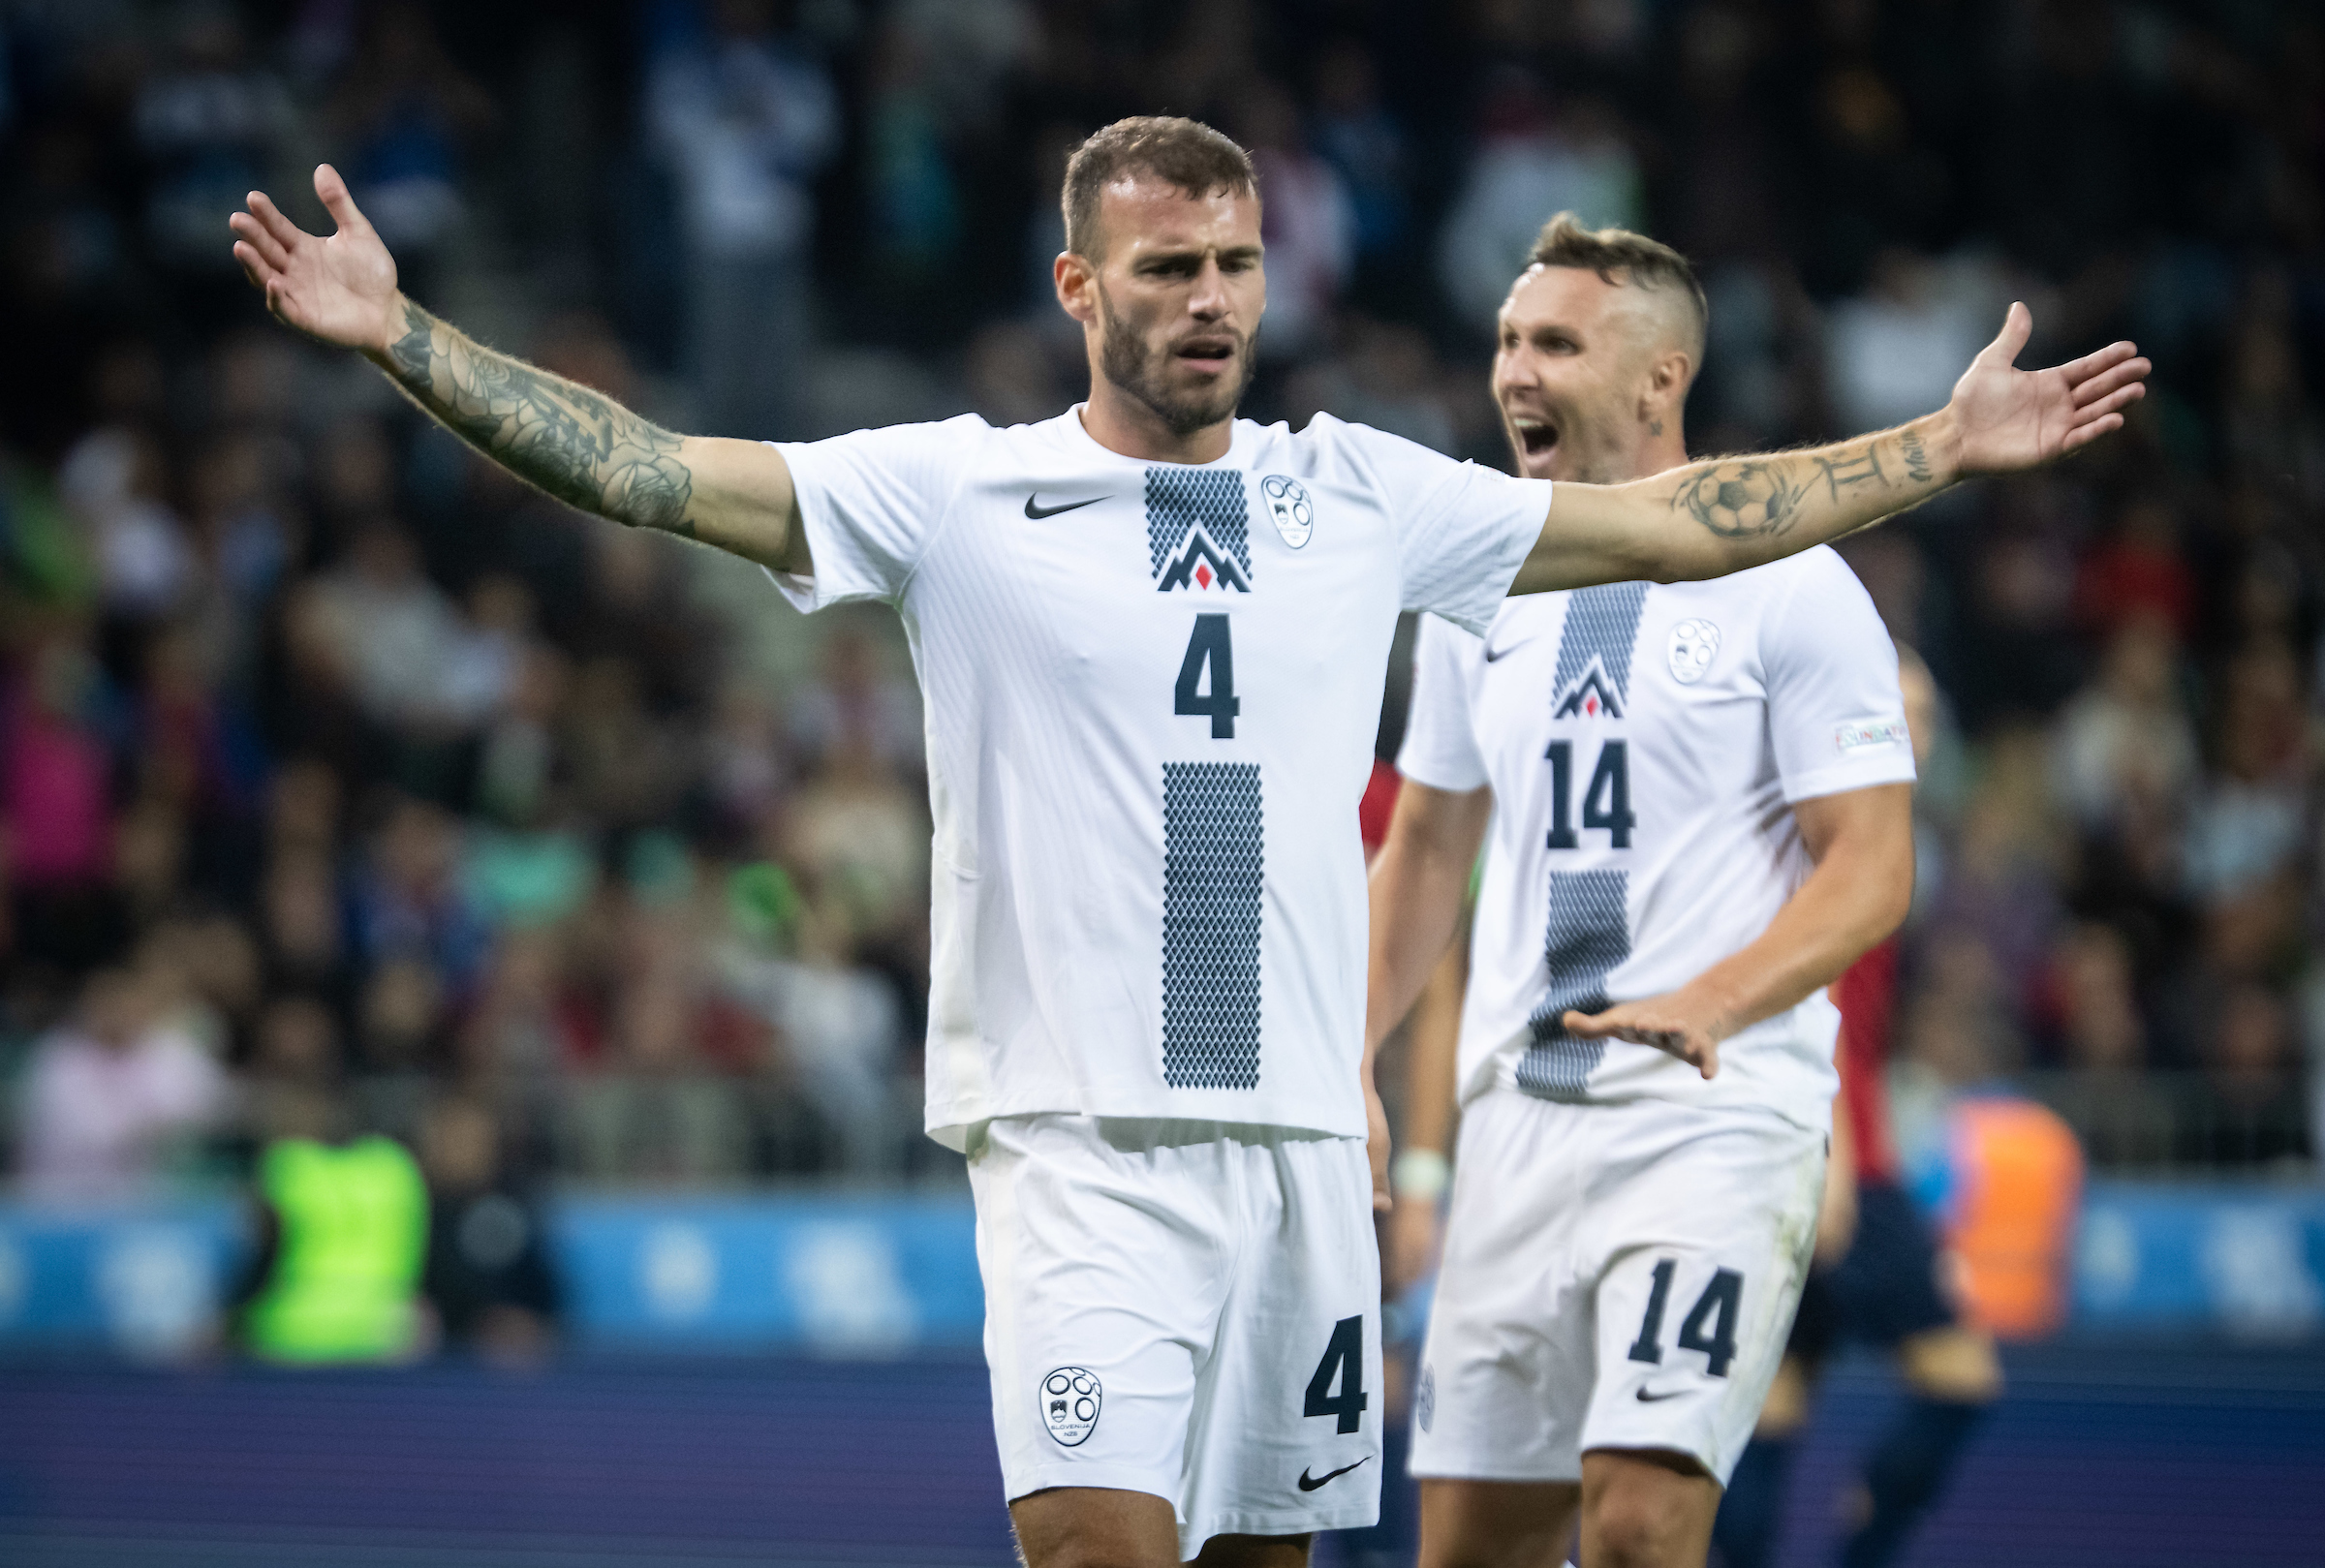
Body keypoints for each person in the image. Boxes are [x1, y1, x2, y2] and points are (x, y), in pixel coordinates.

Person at [230, 121, 2144, 1567]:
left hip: (1298, 1150)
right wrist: (406, 339)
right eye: (1168, 268)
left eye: (1235, 262)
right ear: (1081, 287)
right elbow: (653, 472)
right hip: (1082, 1139)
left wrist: (1936, 447)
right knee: (1097, 1543)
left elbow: (1674, 522)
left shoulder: (1360, 494)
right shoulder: (958, 491)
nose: (1213, 297)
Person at [1366, 214, 1941, 1568]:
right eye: (1508, 339)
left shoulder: (1794, 581)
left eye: (1556, 344)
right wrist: (1346, 1062)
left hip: (1710, 1117)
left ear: (1659, 378)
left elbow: (1873, 868)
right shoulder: (1474, 587)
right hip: (1517, 1124)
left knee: (1637, 1517)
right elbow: (1427, 851)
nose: (1515, 370)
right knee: (1471, 1548)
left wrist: (1714, 999)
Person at [1712, 652, 2004, 1568]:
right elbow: (1816, 1000)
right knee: (1960, 1381)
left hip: (1813, 1154)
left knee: (1773, 1407)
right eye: (1897, 706)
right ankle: (1865, 1541)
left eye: (1927, 712)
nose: (1916, 727)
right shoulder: (1838, 830)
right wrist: (1833, 1161)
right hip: (1838, 1163)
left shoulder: (1878, 824)